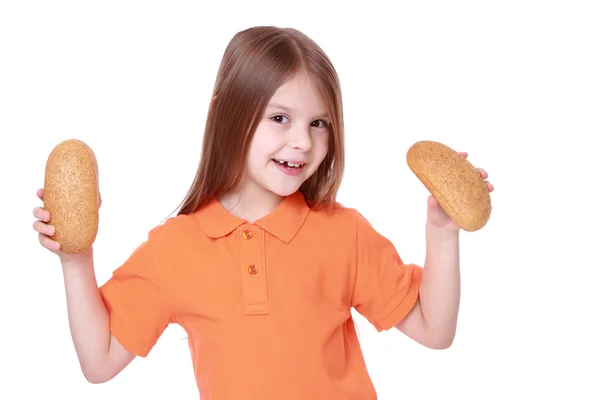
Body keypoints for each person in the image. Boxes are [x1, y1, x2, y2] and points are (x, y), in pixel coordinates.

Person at [32, 26, 494, 399]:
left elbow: (435, 330)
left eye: (319, 123)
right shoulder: (175, 248)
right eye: (280, 118)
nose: (303, 142)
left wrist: (442, 232)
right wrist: (75, 259)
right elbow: (99, 362)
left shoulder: (343, 234)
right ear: (227, 114)